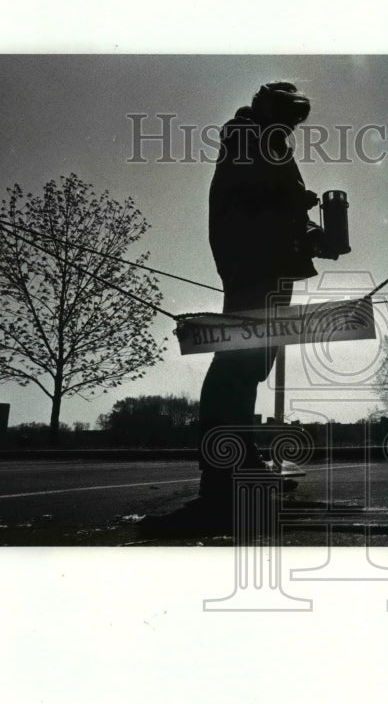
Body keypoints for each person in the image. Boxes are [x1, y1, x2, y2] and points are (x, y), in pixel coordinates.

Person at [141, 82, 334, 535]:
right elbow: (257, 198)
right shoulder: (247, 135)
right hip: (254, 263)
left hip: (267, 261)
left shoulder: (264, 139)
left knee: (251, 361)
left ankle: (236, 457)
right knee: (239, 359)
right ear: (270, 108)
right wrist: (302, 205)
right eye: (288, 114)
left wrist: (311, 236)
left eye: (297, 117)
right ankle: (225, 465)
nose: (292, 124)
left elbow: (272, 208)